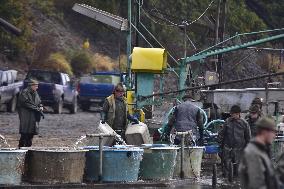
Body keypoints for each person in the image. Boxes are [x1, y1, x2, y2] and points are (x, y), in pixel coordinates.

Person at [239, 117, 279, 189]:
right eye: (273, 132)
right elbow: (257, 185)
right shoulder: (253, 153)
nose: (274, 136)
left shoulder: (262, 149)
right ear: (264, 132)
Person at [218, 105, 251, 177]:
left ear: (238, 113)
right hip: (227, 148)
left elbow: (248, 137)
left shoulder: (244, 123)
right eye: (231, 114)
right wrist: (220, 146)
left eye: (234, 114)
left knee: (238, 171)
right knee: (226, 169)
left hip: (239, 149)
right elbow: (221, 134)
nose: (232, 116)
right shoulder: (227, 122)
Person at [18, 79, 43, 148]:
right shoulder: (24, 93)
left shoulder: (35, 93)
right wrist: (37, 109)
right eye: (35, 86)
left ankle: (28, 149)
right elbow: (26, 103)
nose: (37, 87)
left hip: (34, 116)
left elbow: (39, 101)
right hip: (26, 116)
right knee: (24, 133)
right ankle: (21, 149)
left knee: (31, 133)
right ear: (31, 86)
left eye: (37, 86)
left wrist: (41, 106)